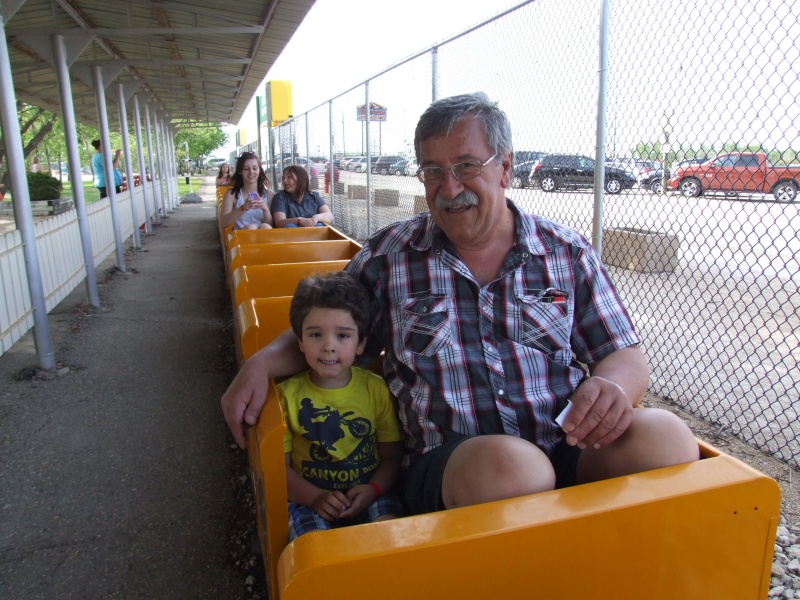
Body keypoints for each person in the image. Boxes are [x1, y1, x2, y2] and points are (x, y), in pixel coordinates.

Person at [221, 92, 699, 516]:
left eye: (467, 166)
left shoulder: (566, 252)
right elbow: (324, 325)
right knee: (514, 471)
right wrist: (261, 363)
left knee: (666, 438)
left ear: (505, 168)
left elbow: (623, 352)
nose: (449, 188)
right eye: (432, 171)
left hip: (568, 443)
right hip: (455, 466)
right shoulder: (389, 258)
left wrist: (615, 387)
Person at [279, 271, 403, 539]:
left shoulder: (375, 389)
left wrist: (373, 489)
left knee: (390, 533)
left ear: (361, 344)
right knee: (313, 546)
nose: (328, 347)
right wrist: (315, 498)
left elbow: (392, 456)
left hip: (370, 493)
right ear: (299, 341)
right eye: (315, 335)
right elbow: (280, 470)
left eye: (343, 336)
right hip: (308, 500)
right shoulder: (285, 397)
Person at [219, 152, 274, 231]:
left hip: (263, 239)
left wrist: (265, 209)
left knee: (265, 226)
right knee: (250, 228)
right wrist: (243, 208)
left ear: (259, 170)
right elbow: (223, 223)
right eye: (246, 169)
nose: (251, 172)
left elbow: (271, 225)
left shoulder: (270, 194)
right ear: (240, 171)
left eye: (255, 168)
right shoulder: (231, 194)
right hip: (241, 240)